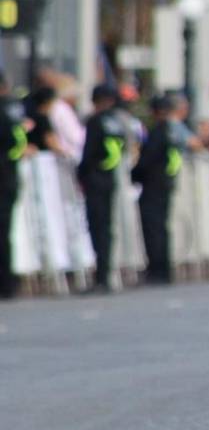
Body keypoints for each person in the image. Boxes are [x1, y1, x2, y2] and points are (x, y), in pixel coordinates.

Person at [75, 85, 124, 292]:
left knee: (97, 228)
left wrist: (81, 174)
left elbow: (89, 152)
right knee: (107, 228)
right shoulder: (116, 122)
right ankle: (106, 273)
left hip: (95, 179)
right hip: (110, 179)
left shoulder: (95, 122)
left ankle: (101, 276)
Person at [134, 95, 183, 285]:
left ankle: (157, 269)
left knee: (153, 228)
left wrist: (134, 174)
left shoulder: (157, 134)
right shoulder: (172, 133)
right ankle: (164, 269)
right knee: (162, 228)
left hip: (153, 185)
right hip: (165, 183)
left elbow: (147, 161)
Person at [0, 72, 29, 300]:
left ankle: (5, 282)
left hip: (3, 174)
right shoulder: (15, 108)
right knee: (6, 230)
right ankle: (8, 281)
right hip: (12, 174)